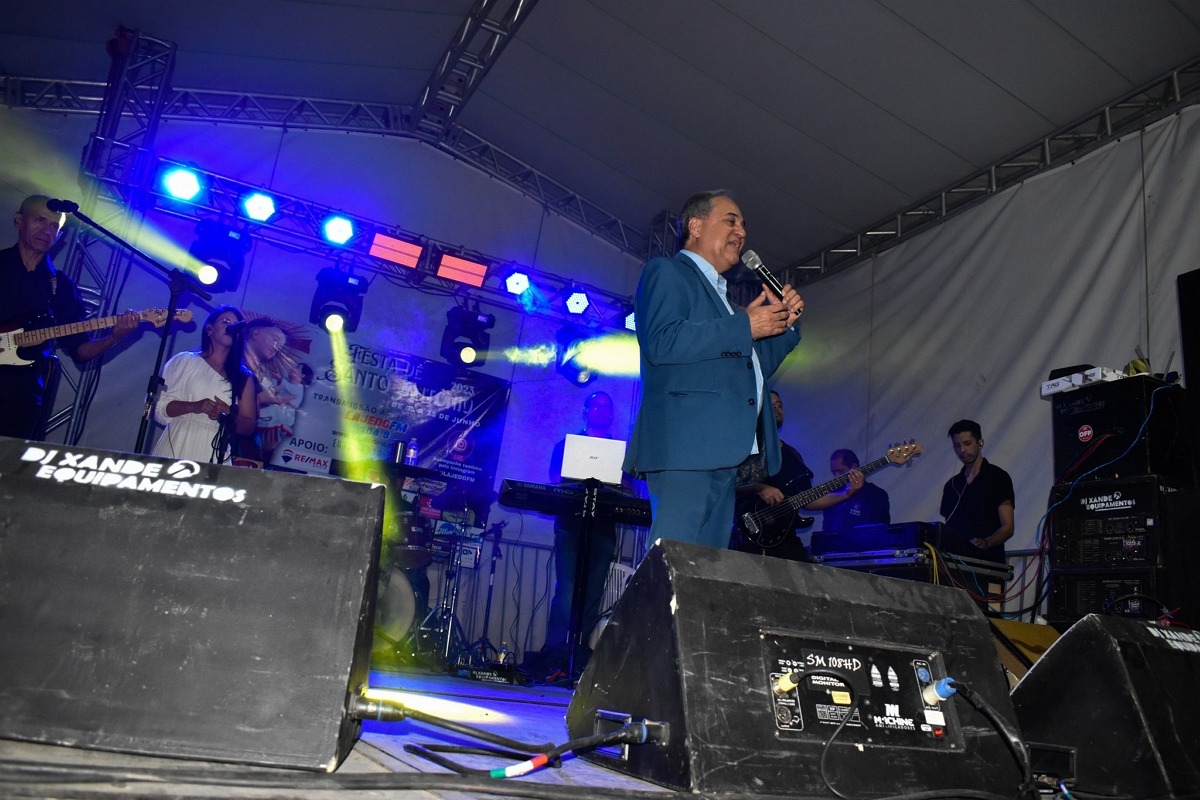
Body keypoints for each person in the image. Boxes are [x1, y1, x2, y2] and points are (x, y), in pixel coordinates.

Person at [623, 190, 804, 548]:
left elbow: (752, 367)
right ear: (695, 226)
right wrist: (745, 326)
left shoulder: (729, 306)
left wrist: (785, 326)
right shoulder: (667, 271)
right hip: (686, 447)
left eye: (744, 225)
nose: (742, 232)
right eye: (730, 221)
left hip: (725, 453)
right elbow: (662, 341)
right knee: (674, 559)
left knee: (706, 567)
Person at [0, 195, 140, 440]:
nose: (47, 230)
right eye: (40, 220)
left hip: (22, 400)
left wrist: (115, 337)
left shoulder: (61, 286)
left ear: (59, 236)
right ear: (19, 221)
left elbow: (80, 351)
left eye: (54, 226)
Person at [532, 391, 621, 676]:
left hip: (602, 528)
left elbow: (628, 488)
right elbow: (556, 481)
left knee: (592, 593)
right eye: (595, 405)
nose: (600, 410)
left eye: (605, 407)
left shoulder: (619, 452)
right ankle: (554, 657)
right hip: (571, 526)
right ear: (585, 411)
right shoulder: (566, 445)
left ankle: (579, 657)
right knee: (568, 592)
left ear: (611, 415)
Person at [731, 391, 864, 561]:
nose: (777, 408)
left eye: (779, 405)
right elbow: (727, 486)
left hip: (785, 538)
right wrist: (760, 488)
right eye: (771, 405)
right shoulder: (746, 447)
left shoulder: (792, 454)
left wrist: (846, 494)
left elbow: (807, 500)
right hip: (748, 536)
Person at [151, 305, 258, 463]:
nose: (230, 327)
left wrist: (228, 412)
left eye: (235, 324)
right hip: (178, 443)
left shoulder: (242, 377)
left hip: (215, 451)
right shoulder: (185, 360)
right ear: (209, 329)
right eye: (225, 321)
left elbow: (248, 427)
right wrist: (195, 406)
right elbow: (157, 407)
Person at [938, 419, 1014, 564]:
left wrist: (987, 542)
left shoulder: (998, 477)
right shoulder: (952, 485)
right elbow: (949, 527)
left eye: (967, 443)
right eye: (957, 446)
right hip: (956, 564)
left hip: (989, 563)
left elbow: (1008, 527)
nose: (962, 450)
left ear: (980, 443)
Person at [822, 448, 891, 532]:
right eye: (834, 472)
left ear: (854, 467)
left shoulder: (877, 495)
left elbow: (882, 530)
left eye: (840, 471)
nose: (836, 476)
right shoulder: (831, 495)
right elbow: (827, 529)